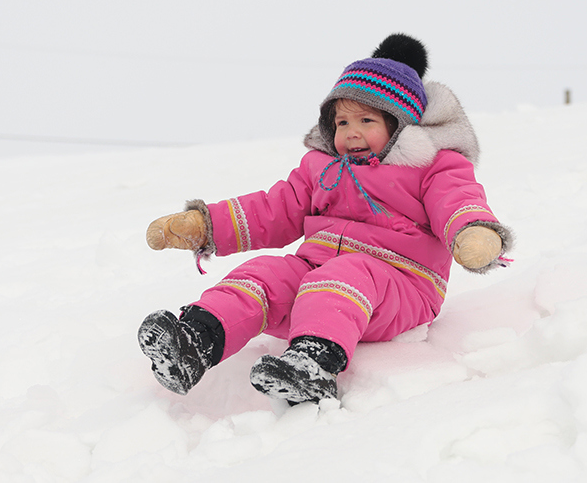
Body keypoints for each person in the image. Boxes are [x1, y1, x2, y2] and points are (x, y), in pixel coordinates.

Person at [139, 33, 513, 405]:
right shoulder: (323, 168)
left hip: (401, 286)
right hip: (315, 275)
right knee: (264, 272)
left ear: (400, 124)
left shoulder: (432, 164)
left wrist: (473, 232)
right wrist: (206, 226)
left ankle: (313, 364)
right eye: (342, 123)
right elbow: (273, 208)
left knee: (344, 273)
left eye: (366, 120)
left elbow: (457, 198)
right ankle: (194, 342)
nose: (351, 133)